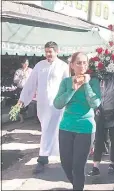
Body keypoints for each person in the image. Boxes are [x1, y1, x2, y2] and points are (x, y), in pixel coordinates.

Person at [18, 41, 69, 174]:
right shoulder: (40, 66)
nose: (48, 54)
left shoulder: (64, 66)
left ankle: (44, 158)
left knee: (54, 129)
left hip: (58, 105)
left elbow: (69, 86)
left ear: (57, 52)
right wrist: (22, 99)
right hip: (42, 105)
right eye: (46, 51)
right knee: (46, 128)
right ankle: (49, 156)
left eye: (50, 51)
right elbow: (30, 83)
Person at [53, 52, 101, 191]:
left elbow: (95, 103)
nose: (82, 66)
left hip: (85, 128)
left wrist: (86, 85)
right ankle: (77, 186)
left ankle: (78, 188)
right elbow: (57, 104)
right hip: (66, 126)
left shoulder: (93, 81)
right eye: (78, 63)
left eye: (85, 62)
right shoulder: (66, 82)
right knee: (66, 164)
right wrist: (72, 90)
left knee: (78, 166)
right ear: (72, 65)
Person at [87, 72, 114, 177]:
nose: (105, 76)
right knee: (98, 140)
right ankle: (96, 167)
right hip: (100, 114)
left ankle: (112, 163)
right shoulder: (96, 80)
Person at [13, 57, 32, 123]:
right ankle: (21, 118)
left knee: (27, 103)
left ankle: (26, 113)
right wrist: (20, 77)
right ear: (22, 64)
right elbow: (15, 80)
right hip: (20, 89)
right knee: (20, 103)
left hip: (28, 89)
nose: (26, 64)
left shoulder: (30, 70)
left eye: (27, 63)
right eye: (25, 63)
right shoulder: (18, 71)